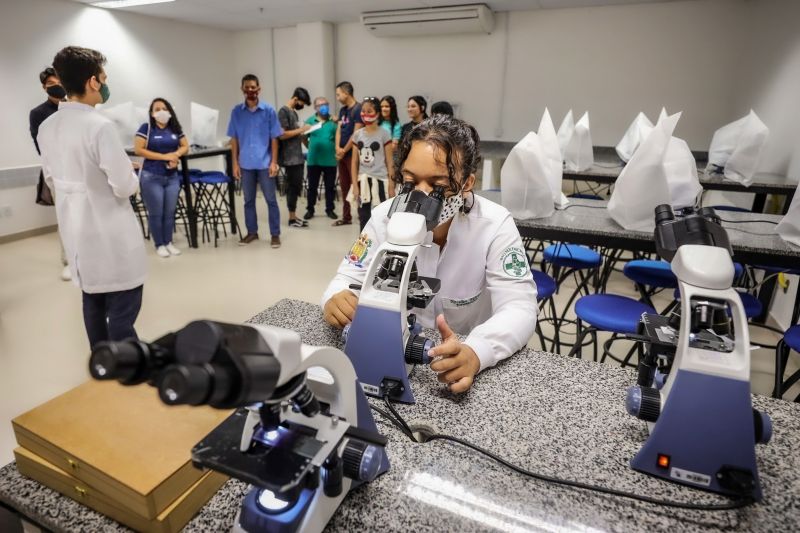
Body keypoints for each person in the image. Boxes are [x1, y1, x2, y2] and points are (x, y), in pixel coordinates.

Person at [321, 115, 537, 393]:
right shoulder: (384, 217)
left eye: (438, 185)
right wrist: (335, 297)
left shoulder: (495, 225)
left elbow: (520, 307)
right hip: (393, 352)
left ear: (467, 182)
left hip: (458, 359)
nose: (422, 195)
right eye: (410, 181)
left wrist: (477, 350)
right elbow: (346, 276)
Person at [37, 46, 147, 349]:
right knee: (123, 309)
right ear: (93, 82)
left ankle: (102, 364)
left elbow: (51, 178)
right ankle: (127, 366)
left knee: (93, 302)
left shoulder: (47, 127)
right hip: (110, 233)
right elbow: (124, 186)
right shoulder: (99, 126)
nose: (106, 83)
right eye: (104, 76)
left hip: (76, 232)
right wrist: (129, 171)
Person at [227, 74, 284, 248]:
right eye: (247, 87)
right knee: (248, 200)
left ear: (259, 89)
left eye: (253, 87)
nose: (250, 90)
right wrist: (235, 164)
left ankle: (275, 234)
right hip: (245, 165)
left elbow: (275, 138)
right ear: (242, 89)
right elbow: (234, 139)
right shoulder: (236, 112)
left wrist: (274, 162)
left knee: (271, 200)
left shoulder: (269, 111)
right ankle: (252, 232)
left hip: (265, 163)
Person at [133, 98, 189, 258]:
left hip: (171, 177)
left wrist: (175, 154)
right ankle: (159, 244)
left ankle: (169, 242)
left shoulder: (174, 129)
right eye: (157, 109)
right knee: (156, 212)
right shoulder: (147, 128)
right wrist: (164, 157)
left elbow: (185, 146)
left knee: (170, 212)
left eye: (164, 108)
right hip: (151, 177)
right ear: (151, 113)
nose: (161, 112)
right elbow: (138, 149)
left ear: (170, 111)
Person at [29, 66, 70, 281]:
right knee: (65, 218)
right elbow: (41, 148)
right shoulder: (38, 113)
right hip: (58, 172)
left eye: (58, 83)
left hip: (81, 169)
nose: (56, 88)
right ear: (44, 88)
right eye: (50, 86)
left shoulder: (75, 107)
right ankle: (68, 261)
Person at [351, 97, 394, 230]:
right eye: (363, 111)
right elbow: (354, 162)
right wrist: (355, 186)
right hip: (363, 181)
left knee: (381, 216)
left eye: (369, 111)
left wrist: (391, 184)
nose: (365, 114)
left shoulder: (384, 134)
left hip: (380, 180)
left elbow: (389, 160)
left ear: (377, 113)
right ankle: (363, 247)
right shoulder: (357, 135)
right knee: (363, 216)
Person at [278, 87, 311, 228]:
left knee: (296, 186)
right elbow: (282, 134)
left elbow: (296, 133)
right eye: (302, 103)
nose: (302, 106)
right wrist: (301, 130)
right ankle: (291, 219)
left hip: (297, 156)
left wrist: (305, 135)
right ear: (296, 99)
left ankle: (294, 216)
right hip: (289, 158)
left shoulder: (294, 113)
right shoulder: (283, 112)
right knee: (292, 187)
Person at [302, 96, 338, 220]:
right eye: (320, 105)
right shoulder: (310, 121)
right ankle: (310, 210)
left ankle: (330, 209)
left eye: (326, 104)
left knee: (330, 188)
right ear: (315, 107)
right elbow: (303, 137)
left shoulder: (334, 121)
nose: (324, 107)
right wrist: (310, 147)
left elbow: (338, 138)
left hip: (330, 160)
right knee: (312, 187)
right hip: (314, 160)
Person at [332, 81, 362, 227]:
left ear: (346, 93)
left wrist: (344, 150)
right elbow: (339, 129)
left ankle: (363, 215)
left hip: (353, 154)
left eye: (338, 94)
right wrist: (338, 147)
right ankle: (346, 216)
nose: (337, 97)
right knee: (344, 186)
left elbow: (356, 132)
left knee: (357, 185)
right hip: (342, 154)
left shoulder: (358, 109)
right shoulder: (343, 110)